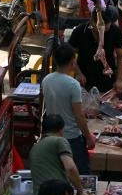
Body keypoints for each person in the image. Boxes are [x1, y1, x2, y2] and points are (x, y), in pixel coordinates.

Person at [41, 44, 95, 175]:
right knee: (80, 173)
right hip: (71, 137)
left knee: (58, 172)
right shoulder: (72, 84)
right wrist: (88, 137)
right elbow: (79, 115)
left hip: (52, 135)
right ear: (72, 61)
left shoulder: (46, 80)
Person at [30, 115, 92, 195]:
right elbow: (70, 168)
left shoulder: (34, 148)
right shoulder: (59, 141)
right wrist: (80, 191)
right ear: (61, 129)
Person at [68, 4, 122, 95]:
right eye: (98, 30)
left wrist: (119, 80)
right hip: (85, 79)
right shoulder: (79, 31)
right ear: (92, 21)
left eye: (105, 30)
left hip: (107, 80)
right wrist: (78, 73)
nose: (101, 33)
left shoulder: (115, 31)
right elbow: (70, 55)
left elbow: (121, 57)